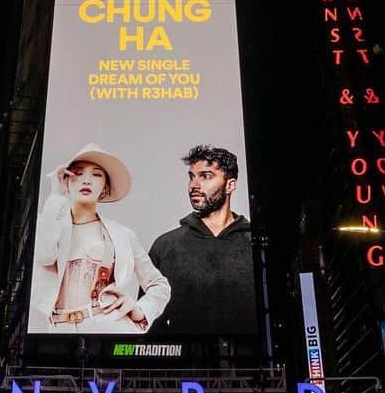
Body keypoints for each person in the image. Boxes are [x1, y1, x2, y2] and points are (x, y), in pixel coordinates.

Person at [30, 143, 170, 333]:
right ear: (67, 180)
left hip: (108, 327)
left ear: (105, 186)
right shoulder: (49, 225)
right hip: (59, 330)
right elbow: (44, 255)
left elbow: (159, 285)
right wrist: (56, 195)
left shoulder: (123, 235)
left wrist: (140, 311)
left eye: (96, 174)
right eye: (78, 173)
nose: (86, 180)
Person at [148, 144, 256, 334]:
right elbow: (148, 321)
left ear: (230, 185)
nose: (194, 186)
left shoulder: (255, 244)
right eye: (192, 177)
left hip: (250, 362)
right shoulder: (166, 246)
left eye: (206, 176)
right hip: (187, 362)